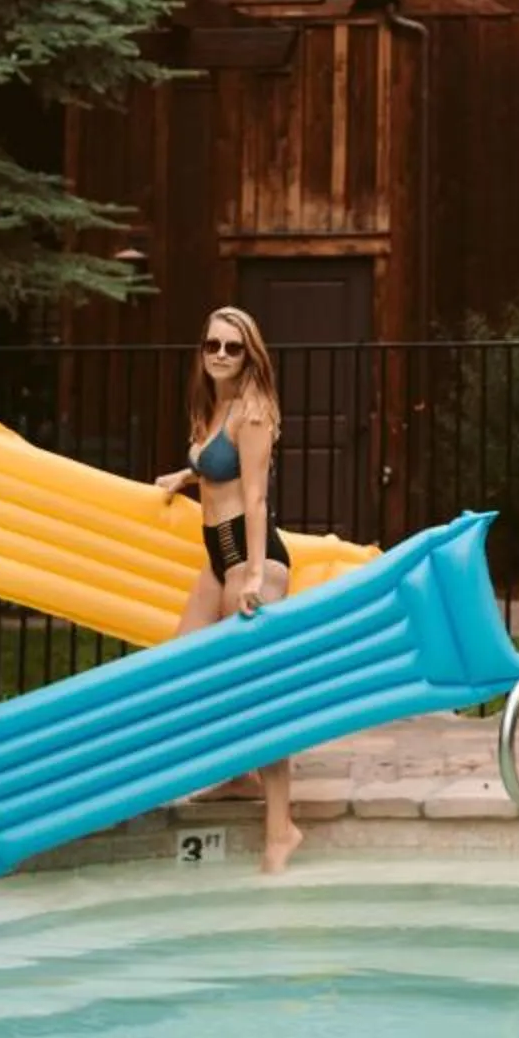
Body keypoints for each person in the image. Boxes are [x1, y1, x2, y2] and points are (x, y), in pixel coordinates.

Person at [153, 307, 303, 874]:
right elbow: (218, 467)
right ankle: (239, 775)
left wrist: (258, 575)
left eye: (232, 348)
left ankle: (281, 829)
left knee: (258, 692)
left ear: (250, 355)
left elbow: (257, 496)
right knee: (182, 668)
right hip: (219, 554)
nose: (219, 355)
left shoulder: (255, 411)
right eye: (211, 345)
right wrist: (182, 475)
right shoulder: (213, 405)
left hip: (248, 555)